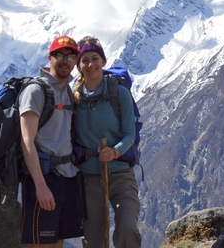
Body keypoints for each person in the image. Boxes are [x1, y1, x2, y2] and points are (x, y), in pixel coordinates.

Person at [72, 36, 141, 248]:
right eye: (85, 60)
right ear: (79, 65)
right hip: (89, 178)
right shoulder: (73, 99)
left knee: (128, 227)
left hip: (120, 173)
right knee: (93, 239)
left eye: (95, 58)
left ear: (103, 61)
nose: (90, 64)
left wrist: (115, 151)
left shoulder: (118, 93)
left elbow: (130, 133)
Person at [18, 35, 84, 248]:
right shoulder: (36, 91)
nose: (65, 60)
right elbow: (26, 142)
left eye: (70, 56)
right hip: (43, 177)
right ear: (50, 57)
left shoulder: (68, 91)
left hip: (67, 177)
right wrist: (40, 185)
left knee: (57, 242)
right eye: (59, 55)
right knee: (38, 243)